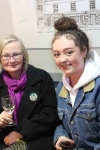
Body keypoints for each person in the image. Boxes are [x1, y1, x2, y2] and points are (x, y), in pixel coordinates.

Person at [0, 34, 60, 150]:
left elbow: (50, 114)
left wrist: (20, 132)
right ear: (0, 59)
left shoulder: (42, 78)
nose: (11, 60)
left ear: (24, 56)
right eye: (6, 56)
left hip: (37, 137)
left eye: (16, 55)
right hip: (6, 139)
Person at [52, 16, 100, 150]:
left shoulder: (98, 86)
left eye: (69, 52)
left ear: (84, 51)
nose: (62, 59)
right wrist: (60, 136)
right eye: (56, 54)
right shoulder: (62, 87)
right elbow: (58, 122)